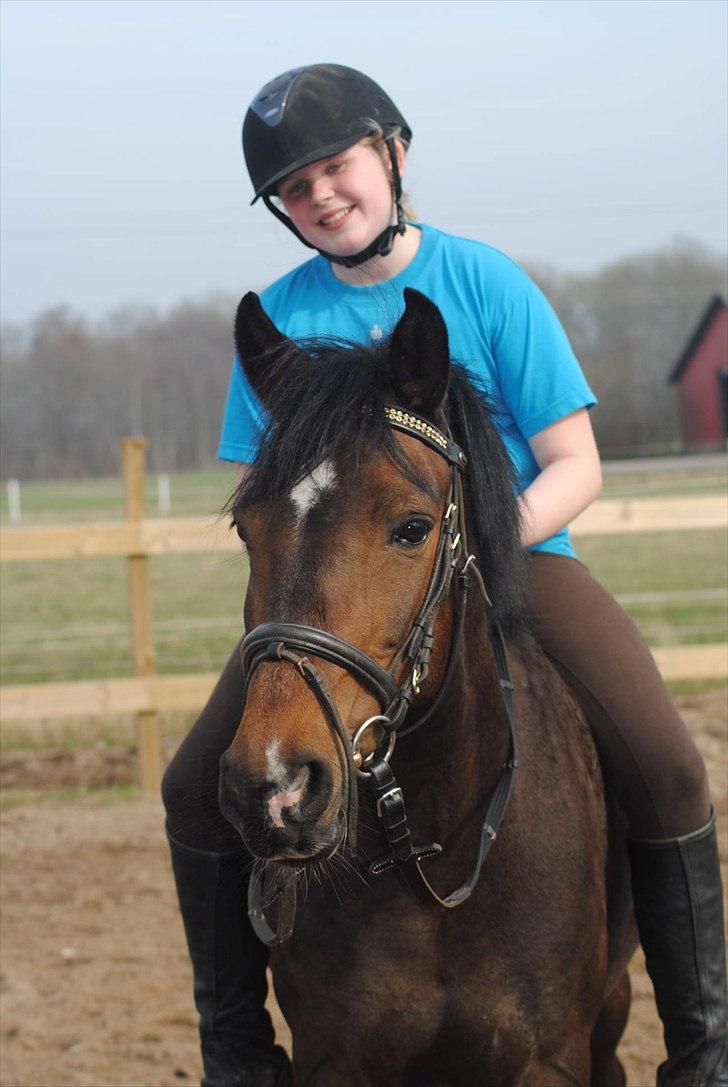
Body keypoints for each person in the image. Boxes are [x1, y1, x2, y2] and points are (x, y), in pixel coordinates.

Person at [162, 64, 727, 1087]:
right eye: (295, 187)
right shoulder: (276, 328)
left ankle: (703, 1055)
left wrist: (483, 546)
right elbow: (271, 503)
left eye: (335, 166)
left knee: (667, 766)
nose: (321, 194)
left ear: (392, 154)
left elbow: (574, 461)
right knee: (194, 784)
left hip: (514, 566)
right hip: (338, 600)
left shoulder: (486, 283)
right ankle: (237, 1055)